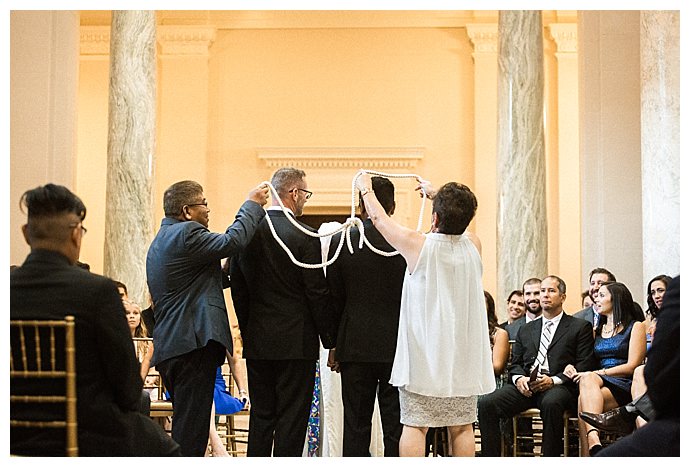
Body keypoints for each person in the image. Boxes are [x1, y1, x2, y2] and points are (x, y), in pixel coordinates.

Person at [10, 183, 180, 456]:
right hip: (89, 434)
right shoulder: (98, 292)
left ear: (26, 233)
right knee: (167, 449)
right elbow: (127, 389)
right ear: (77, 234)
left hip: (12, 432)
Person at [355, 174, 495, 457]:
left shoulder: (418, 245)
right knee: (463, 426)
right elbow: (460, 223)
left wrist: (365, 189)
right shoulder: (474, 245)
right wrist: (436, 196)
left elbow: (380, 221)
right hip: (462, 357)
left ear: (434, 218)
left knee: (416, 425)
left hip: (425, 356)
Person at [146, 179, 269, 456]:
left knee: (188, 425)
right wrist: (250, 204)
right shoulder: (187, 233)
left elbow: (194, 282)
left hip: (174, 344)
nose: (208, 209)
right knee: (192, 432)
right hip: (192, 344)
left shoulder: (162, 240)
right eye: (204, 203)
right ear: (187, 211)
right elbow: (232, 240)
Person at [230, 167, 337, 457]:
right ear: (293, 193)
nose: (306, 200)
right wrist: (330, 340)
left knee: (261, 418)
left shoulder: (248, 232)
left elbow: (238, 287)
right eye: (305, 194)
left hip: (258, 341)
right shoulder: (304, 234)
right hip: (296, 343)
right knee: (292, 419)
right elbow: (317, 292)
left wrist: (248, 328)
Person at [325, 176, 405, 456]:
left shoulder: (341, 240)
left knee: (356, 423)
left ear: (361, 204)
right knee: (396, 423)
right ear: (392, 205)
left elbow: (333, 297)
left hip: (354, 344)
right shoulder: (405, 241)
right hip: (397, 346)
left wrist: (333, 343)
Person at [478, 275, 598, 457]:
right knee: (487, 403)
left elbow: (584, 364)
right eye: (543, 291)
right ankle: (491, 458)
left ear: (562, 297)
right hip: (527, 386)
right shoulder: (526, 329)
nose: (545, 295)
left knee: (551, 403)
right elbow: (516, 364)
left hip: (559, 386)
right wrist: (519, 379)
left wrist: (554, 380)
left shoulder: (579, 327)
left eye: (551, 291)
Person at [596, 275, 679, 457]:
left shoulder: (637, 326)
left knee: (640, 371)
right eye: (653, 292)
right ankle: (596, 444)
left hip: (656, 381)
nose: (656, 295)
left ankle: (633, 416)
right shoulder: (647, 322)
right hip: (652, 379)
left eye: (660, 290)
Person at [565, 282, 646, 456]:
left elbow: (633, 365)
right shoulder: (597, 329)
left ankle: (590, 452)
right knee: (584, 392)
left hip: (625, 382)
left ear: (616, 299)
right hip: (599, 385)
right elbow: (588, 361)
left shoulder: (635, 326)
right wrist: (572, 367)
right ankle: (594, 443)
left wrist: (598, 373)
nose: (596, 299)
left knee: (583, 395)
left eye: (602, 295)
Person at [207, 349, 250, 457]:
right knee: (198, 393)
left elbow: (234, 361)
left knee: (204, 395)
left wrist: (242, 391)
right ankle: (214, 444)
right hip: (187, 381)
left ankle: (207, 449)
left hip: (214, 385)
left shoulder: (222, 332)